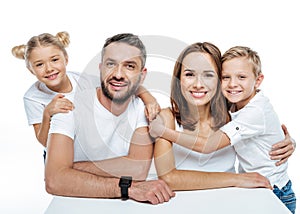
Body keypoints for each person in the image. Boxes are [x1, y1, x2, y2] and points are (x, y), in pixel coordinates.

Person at [45, 33, 174, 205]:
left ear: (142, 75)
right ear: (100, 68)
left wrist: (71, 169)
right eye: (111, 64)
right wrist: (126, 188)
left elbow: (138, 169)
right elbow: (54, 180)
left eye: (129, 66)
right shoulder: (69, 107)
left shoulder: (142, 111)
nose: (118, 74)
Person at [149, 42, 295, 192]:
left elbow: (263, 128)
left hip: (240, 199)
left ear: (219, 80)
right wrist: (236, 179)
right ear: (178, 78)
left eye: (208, 75)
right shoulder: (167, 118)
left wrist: (289, 142)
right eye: (189, 74)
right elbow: (169, 179)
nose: (198, 84)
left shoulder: (232, 112)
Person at [12, 32, 160, 161]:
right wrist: (47, 114)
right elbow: (44, 142)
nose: (49, 68)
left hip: (88, 150)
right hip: (57, 154)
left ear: (66, 59)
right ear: (31, 70)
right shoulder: (32, 97)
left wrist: (149, 98)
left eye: (54, 60)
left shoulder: (82, 80)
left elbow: (117, 85)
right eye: (39, 64)